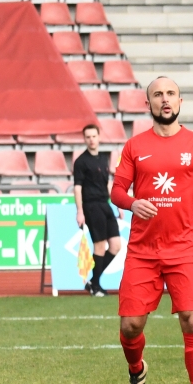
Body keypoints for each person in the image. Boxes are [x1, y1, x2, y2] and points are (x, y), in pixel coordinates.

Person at [109, 77, 193, 384]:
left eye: (170, 94)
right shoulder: (134, 146)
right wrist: (131, 203)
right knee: (130, 327)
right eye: (158, 95)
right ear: (149, 104)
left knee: (191, 320)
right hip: (142, 251)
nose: (165, 99)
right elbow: (116, 190)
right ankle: (136, 369)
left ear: (180, 101)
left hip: (184, 251)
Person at [73, 123, 122, 297]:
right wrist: (80, 211)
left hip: (105, 204)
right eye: (88, 137)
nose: (91, 140)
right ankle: (96, 286)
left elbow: (108, 184)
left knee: (116, 245)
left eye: (94, 136)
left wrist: (117, 204)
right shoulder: (81, 162)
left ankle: (93, 282)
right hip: (92, 206)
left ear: (99, 137)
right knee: (100, 245)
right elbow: (77, 188)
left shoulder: (103, 158)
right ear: (84, 139)